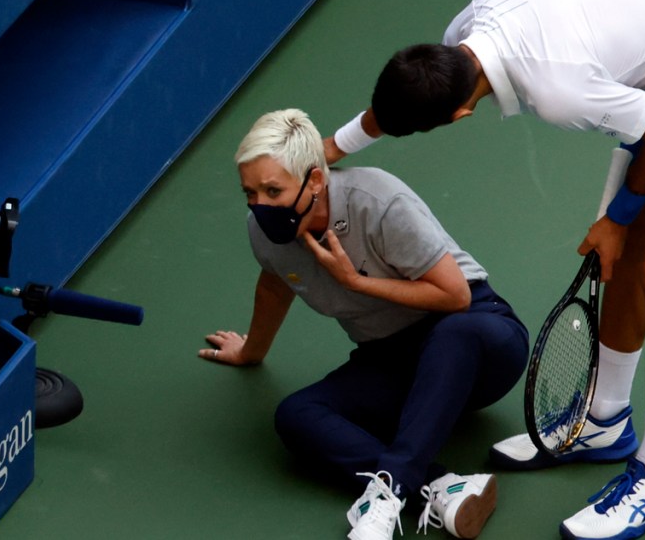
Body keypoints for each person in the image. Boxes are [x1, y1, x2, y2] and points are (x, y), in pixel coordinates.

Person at [322, 0, 645, 540]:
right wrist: (332, 147)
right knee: (624, 261)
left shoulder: (559, 91)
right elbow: (397, 109)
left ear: (462, 114)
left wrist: (617, 217)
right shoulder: (460, 39)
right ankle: (605, 421)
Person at [198, 109, 529, 540]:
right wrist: (251, 351)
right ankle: (441, 486)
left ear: (314, 181)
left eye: (272, 190)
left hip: (477, 340)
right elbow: (275, 285)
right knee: (297, 415)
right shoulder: (265, 232)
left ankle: (388, 493)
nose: (260, 205)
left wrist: (354, 281)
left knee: (454, 333)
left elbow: (456, 296)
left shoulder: (378, 202)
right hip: (392, 358)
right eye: (250, 193)